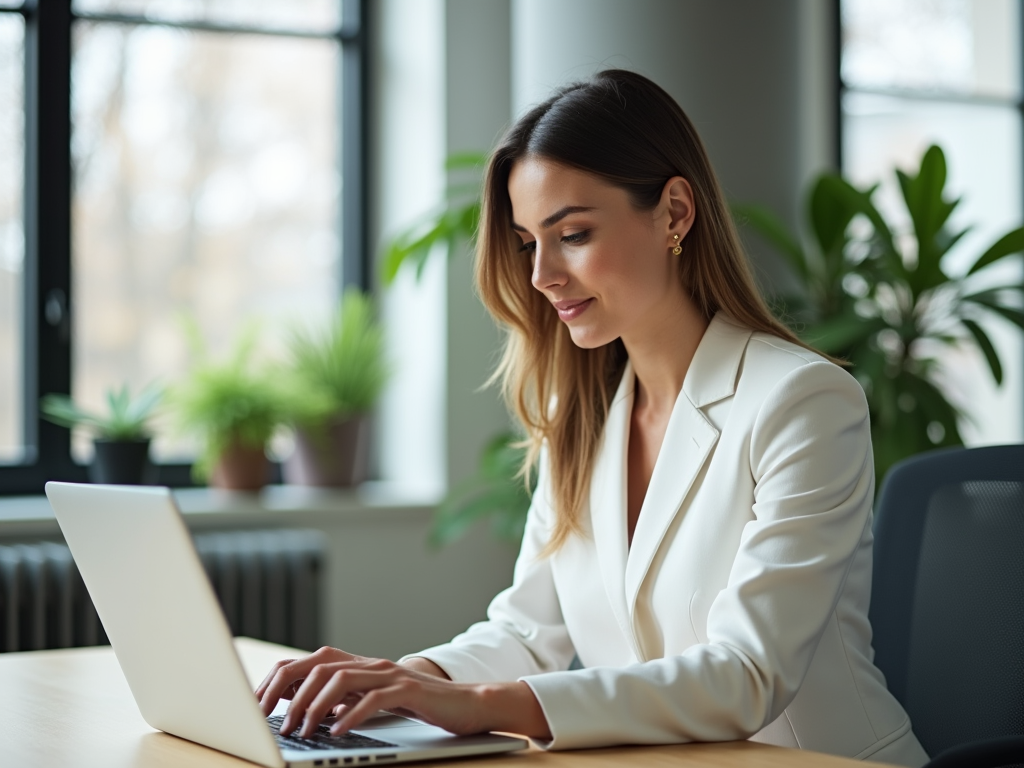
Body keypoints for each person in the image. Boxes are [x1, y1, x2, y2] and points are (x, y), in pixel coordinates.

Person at [256, 69, 929, 767]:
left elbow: (746, 674)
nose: (542, 273)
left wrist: (481, 706)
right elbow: (526, 630)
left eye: (572, 233)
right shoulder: (581, 416)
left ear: (673, 214)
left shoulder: (803, 402)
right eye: (527, 242)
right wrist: (408, 682)